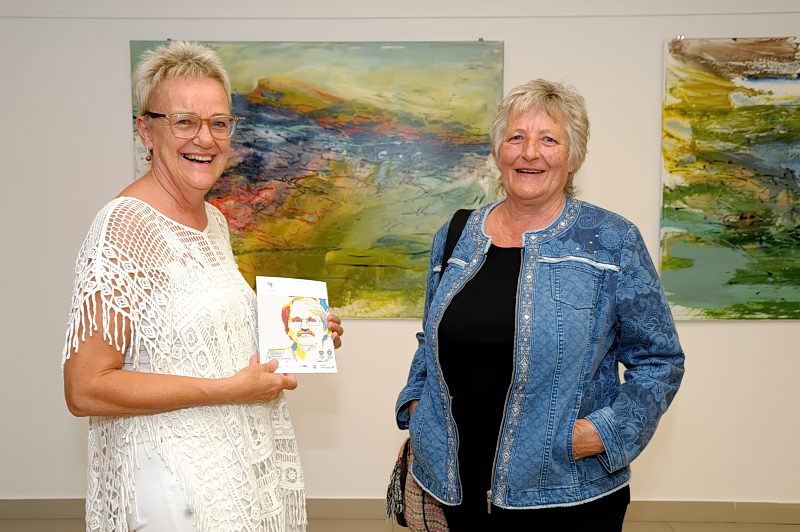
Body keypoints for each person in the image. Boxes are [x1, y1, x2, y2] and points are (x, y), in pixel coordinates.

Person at [62, 41, 343, 532]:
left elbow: (196, 338)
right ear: (146, 131)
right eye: (184, 121)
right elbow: (86, 388)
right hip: (176, 487)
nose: (205, 138)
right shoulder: (125, 225)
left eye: (218, 122)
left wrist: (302, 331)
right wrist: (228, 391)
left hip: (234, 469)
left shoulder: (212, 221)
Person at [395, 79, 684, 531]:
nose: (530, 153)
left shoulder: (612, 240)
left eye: (549, 139)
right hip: (453, 480)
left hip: (567, 486)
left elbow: (659, 359)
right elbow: (429, 338)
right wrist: (417, 405)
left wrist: (604, 432)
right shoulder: (455, 235)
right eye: (516, 137)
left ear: (573, 156)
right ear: (498, 152)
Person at [281, 297, 335, 363]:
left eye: (312, 321)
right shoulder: (279, 359)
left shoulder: (330, 359)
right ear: (288, 328)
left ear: (325, 328)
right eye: (297, 320)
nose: (304, 327)